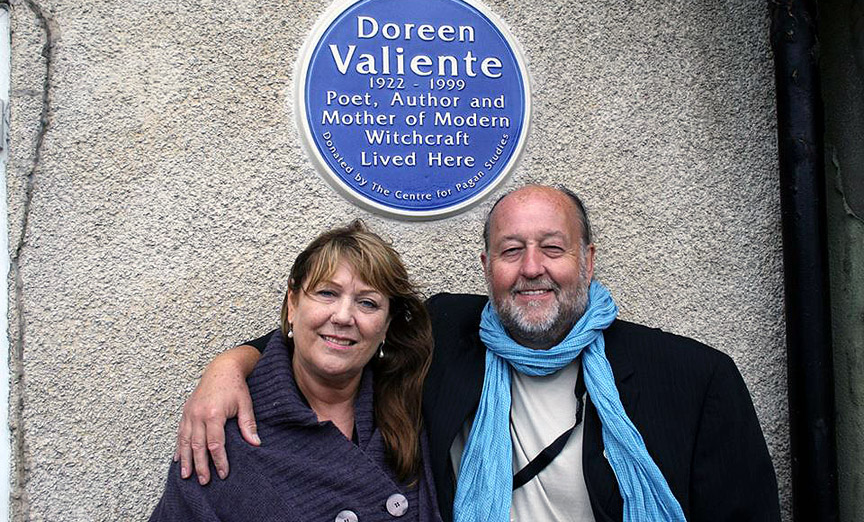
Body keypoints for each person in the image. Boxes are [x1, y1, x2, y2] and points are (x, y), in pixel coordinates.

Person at [173, 185, 781, 522]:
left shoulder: (695, 378)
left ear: (588, 262)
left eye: (553, 248)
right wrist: (229, 365)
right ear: (486, 268)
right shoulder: (445, 335)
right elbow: (333, 340)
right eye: (512, 250)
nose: (533, 268)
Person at [151, 221, 442, 522]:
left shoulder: (417, 404)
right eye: (327, 293)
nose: (343, 316)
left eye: (367, 303)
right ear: (293, 303)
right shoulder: (223, 434)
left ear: (386, 326)